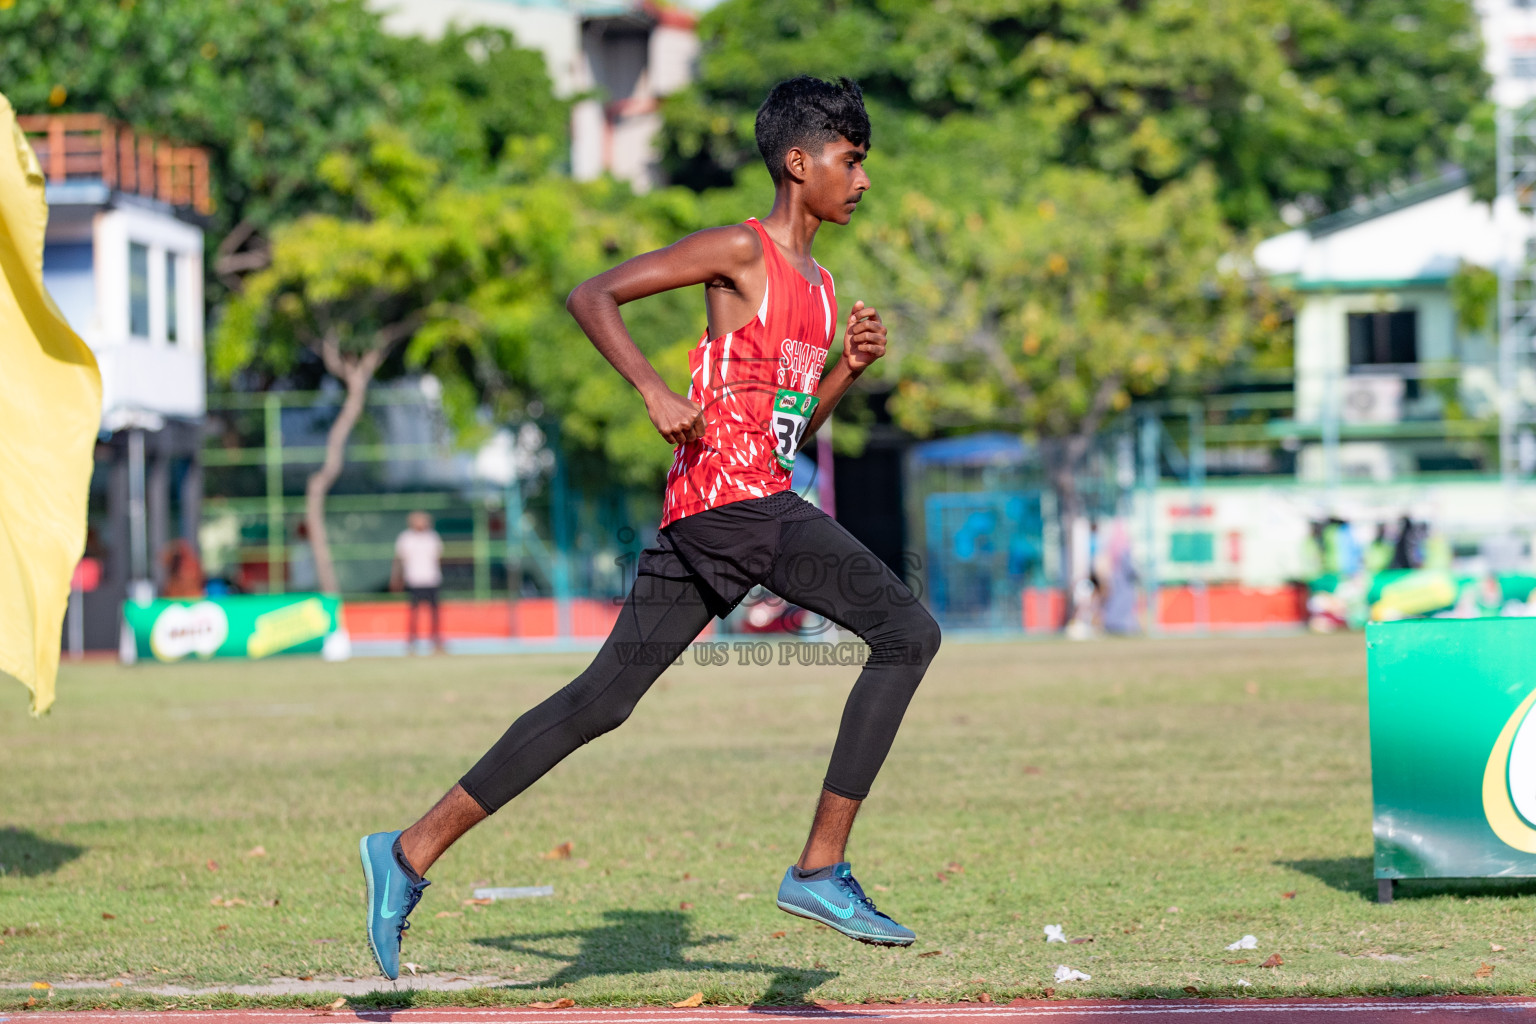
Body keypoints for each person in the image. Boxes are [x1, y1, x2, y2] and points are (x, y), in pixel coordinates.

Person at [358, 76, 942, 980]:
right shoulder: (737, 252)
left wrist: (845, 372)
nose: (862, 179)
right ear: (800, 162)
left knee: (601, 702)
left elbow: (789, 433)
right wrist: (651, 387)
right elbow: (591, 296)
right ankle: (820, 868)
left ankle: (404, 853)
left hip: (724, 507)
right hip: (733, 506)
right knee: (907, 631)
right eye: (851, 160)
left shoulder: (823, 293)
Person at [391, 511, 444, 654]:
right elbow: (399, 560)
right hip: (414, 580)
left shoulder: (432, 537)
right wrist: (397, 578)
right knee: (414, 614)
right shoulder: (406, 538)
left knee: (435, 614)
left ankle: (436, 642)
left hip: (431, 580)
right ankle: (412, 643)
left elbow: (438, 558)